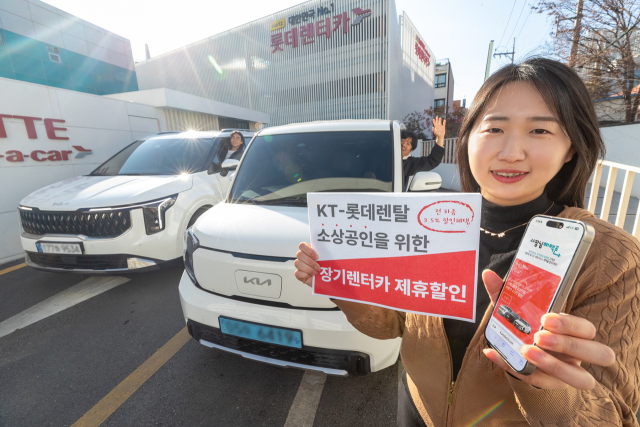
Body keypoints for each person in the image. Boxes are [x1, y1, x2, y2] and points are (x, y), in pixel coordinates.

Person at [294, 58, 640, 426]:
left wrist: (552, 391)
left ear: (571, 148)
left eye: (539, 131)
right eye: (494, 129)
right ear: (470, 137)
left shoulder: (612, 258)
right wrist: (342, 283)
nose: (511, 152)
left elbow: (614, 413)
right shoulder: (426, 225)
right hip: (414, 412)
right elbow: (391, 327)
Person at [402, 118, 446, 191]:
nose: (403, 144)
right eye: (402, 141)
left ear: (411, 150)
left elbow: (432, 160)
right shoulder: (384, 157)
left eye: (408, 143)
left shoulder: (412, 164)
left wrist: (440, 137)